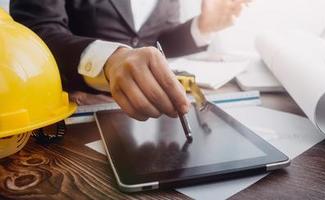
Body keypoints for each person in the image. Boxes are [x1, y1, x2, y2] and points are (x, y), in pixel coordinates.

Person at [10, 0, 248, 121]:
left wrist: (203, 27)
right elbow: (36, 30)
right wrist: (108, 60)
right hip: (75, 113)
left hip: (150, 117)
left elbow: (153, 41)